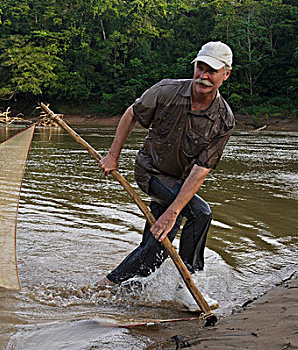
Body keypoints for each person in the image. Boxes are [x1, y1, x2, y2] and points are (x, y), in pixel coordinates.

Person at [98, 41, 234, 286]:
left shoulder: (223, 119)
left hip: (180, 182)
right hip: (150, 171)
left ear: (226, 75)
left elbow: (201, 169)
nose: (203, 76)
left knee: (158, 244)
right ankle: (189, 282)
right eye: (199, 68)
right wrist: (113, 156)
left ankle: (112, 286)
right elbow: (132, 113)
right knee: (200, 213)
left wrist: (172, 212)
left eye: (211, 71)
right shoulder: (166, 91)